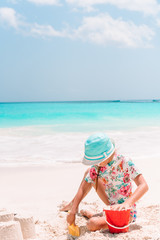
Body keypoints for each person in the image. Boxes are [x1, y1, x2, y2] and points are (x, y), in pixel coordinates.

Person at [61, 133, 149, 231]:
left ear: (107, 154)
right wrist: (73, 211)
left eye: (98, 161)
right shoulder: (97, 166)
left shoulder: (124, 162)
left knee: (92, 224)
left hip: (126, 212)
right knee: (89, 173)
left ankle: (92, 215)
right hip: (110, 207)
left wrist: (127, 204)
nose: (96, 164)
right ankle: (82, 209)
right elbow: (83, 187)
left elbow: (144, 185)